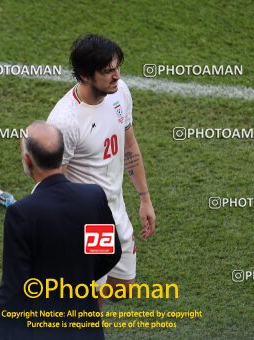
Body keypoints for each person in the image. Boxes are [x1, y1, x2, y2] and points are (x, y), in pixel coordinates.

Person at [0, 121, 122, 340]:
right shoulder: (93, 197)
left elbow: (14, 288)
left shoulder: (21, 214)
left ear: (28, 161)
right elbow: (110, 255)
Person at [47, 34, 156, 302]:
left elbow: (128, 145)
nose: (116, 76)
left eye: (117, 67)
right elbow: (53, 183)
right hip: (90, 222)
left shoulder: (120, 93)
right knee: (90, 303)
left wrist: (144, 198)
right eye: (107, 71)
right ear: (84, 75)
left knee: (122, 290)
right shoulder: (65, 122)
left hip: (115, 209)